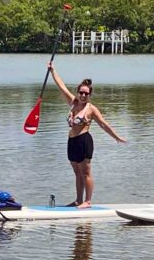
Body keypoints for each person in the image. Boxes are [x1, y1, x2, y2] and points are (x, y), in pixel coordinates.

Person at [48, 62, 126, 208]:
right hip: (71, 141)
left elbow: (104, 124)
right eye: (81, 92)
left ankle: (88, 201)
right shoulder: (73, 103)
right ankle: (78, 200)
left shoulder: (91, 109)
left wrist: (116, 137)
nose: (83, 95)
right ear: (78, 92)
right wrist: (53, 71)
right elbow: (61, 86)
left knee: (86, 172)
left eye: (86, 93)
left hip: (84, 141)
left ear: (89, 95)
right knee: (77, 173)